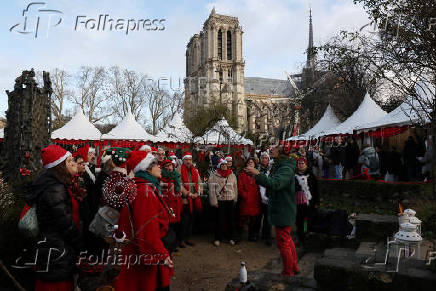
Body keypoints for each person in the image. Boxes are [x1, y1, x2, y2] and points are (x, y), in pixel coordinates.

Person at [115, 151, 174, 291]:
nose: (159, 166)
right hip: (146, 255)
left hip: (139, 252)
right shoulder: (144, 191)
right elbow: (147, 230)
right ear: (146, 168)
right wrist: (161, 255)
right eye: (155, 164)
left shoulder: (141, 187)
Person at [27, 145, 83, 291]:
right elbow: (64, 224)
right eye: (69, 160)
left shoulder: (55, 185)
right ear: (59, 165)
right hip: (56, 252)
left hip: (53, 249)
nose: (74, 163)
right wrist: (80, 245)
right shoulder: (55, 188)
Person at [245, 143, 300, 277]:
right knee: (287, 239)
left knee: (283, 242)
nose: (271, 149)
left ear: (281, 152)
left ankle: (288, 272)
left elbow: (275, 183)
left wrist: (257, 174)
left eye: (275, 148)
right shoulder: (280, 165)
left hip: (283, 210)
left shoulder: (286, 168)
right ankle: (294, 266)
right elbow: (272, 181)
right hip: (281, 208)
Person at [209, 158, 238, 246]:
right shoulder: (214, 175)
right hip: (220, 201)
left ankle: (231, 237)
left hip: (230, 200)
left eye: (225, 164)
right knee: (219, 220)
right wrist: (214, 202)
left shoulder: (232, 175)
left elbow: (235, 188)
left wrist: (235, 198)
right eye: (222, 165)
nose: (224, 166)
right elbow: (211, 190)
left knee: (230, 220)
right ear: (219, 166)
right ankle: (217, 238)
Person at [178, 152, 203, 248]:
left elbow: (200, 183)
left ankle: (188, 238)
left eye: (190, 160)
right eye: (186, 160)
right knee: (184, 220)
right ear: (183, 160)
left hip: (194, 198)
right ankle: (181, 239)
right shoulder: (179, 170)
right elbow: (179, 184)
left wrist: (198, 193)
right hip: (185, 199)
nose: (188, 161)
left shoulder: (195, 170)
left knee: (191, 220)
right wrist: (188, 193)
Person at [295, 157, 319, 245]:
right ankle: (300, 237)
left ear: (306, 165)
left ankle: (305, 236)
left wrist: (316, 202)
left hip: (309, 203)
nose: (300, 165)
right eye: (299, 164)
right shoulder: (294, 176)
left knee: (306, 221)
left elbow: (316, 190)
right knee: (298, 221)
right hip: (298, 203)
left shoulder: (311, 176)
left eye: (302, 164)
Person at [238, 158, 262, 242]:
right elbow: (240, 188)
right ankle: (239, 236)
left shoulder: (258, 174)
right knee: (242, 219)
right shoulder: (242, 174)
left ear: (255, 164)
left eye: (252, 162)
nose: (250, 164)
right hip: (246, 200)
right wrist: (246, 196)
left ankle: (251, 236)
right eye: (249, 162)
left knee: (253, 220)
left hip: (255, 200)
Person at [160, 158, 183, 243]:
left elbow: (179, 188)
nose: (168, 167)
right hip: (166, 202)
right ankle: (168, 241)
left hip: (175, 202)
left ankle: (175, 241)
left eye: (170, 165)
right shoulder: (161, 177)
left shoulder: (176, 175)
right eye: (166, 166)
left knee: (175, 222)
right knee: (167, 222)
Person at [259, 151, 273, 246]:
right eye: (263, 158)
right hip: (258, 197)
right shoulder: (258, 169)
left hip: (268, 197)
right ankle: (256, 234)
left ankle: (267, 235)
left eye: (266, 158)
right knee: (258, 217)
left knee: (268, 218)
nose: (264, 160)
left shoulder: (271, 170)